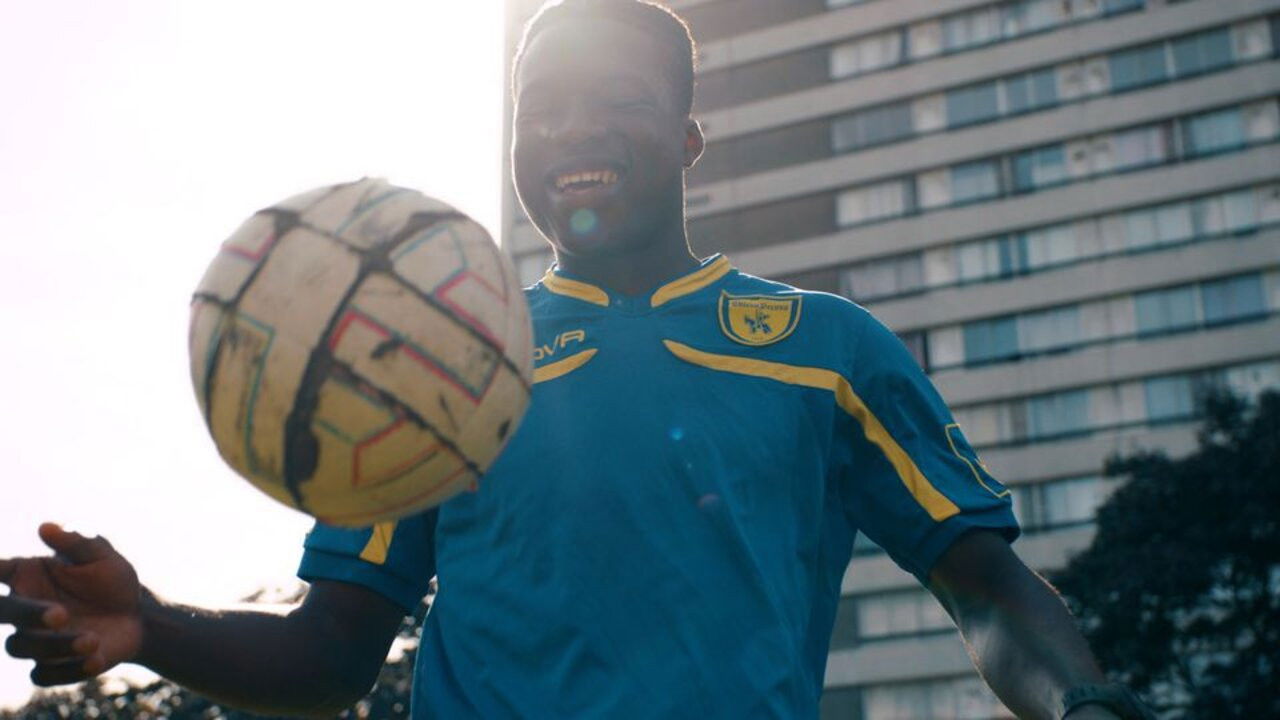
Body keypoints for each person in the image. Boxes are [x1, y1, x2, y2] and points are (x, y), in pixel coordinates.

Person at [1, 1, 1154, 718]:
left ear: (688, 139)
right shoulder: (429, 374)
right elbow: (333, 648)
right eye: (541, 108)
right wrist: (149, 622)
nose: (571, 132)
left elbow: (984, 589)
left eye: (617, 102)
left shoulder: (825, 349)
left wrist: (1082, 704)